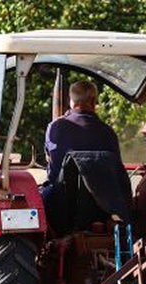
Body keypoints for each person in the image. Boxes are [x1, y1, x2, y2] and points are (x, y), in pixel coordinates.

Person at [40, 80, 124, 233]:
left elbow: (50, 160)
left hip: (59, 208)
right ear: (93, 101)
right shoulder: (108, 133)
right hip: (100, 209)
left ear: (71, 101)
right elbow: (116, 171)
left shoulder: (55, 128)